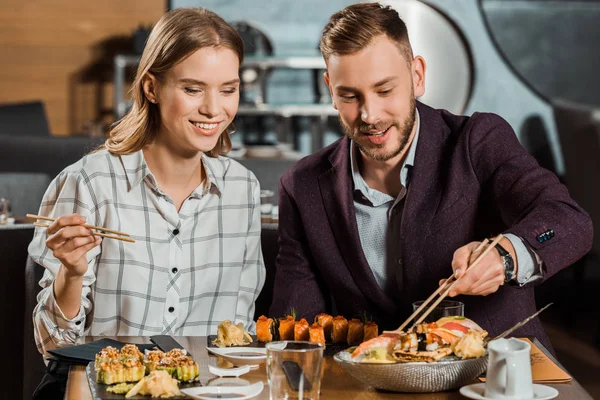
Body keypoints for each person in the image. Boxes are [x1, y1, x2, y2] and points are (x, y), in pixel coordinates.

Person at [269, 2, 592, 350]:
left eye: (384, 90)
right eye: (350, 95)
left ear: (417, 76)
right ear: (330, 89)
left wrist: (506, 255)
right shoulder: (301, 186)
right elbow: (295, 329)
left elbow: (569, 220)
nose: (369, 114)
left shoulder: (478, 140)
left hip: (492, 380)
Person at [28, 8, 265, 358]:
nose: (214, 109)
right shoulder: (90, 183)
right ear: (152, 87)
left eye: (228, 90)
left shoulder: (242, 190)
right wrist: (71, 275)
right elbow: (53, 348)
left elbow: (239, 336)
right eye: (192, 89)